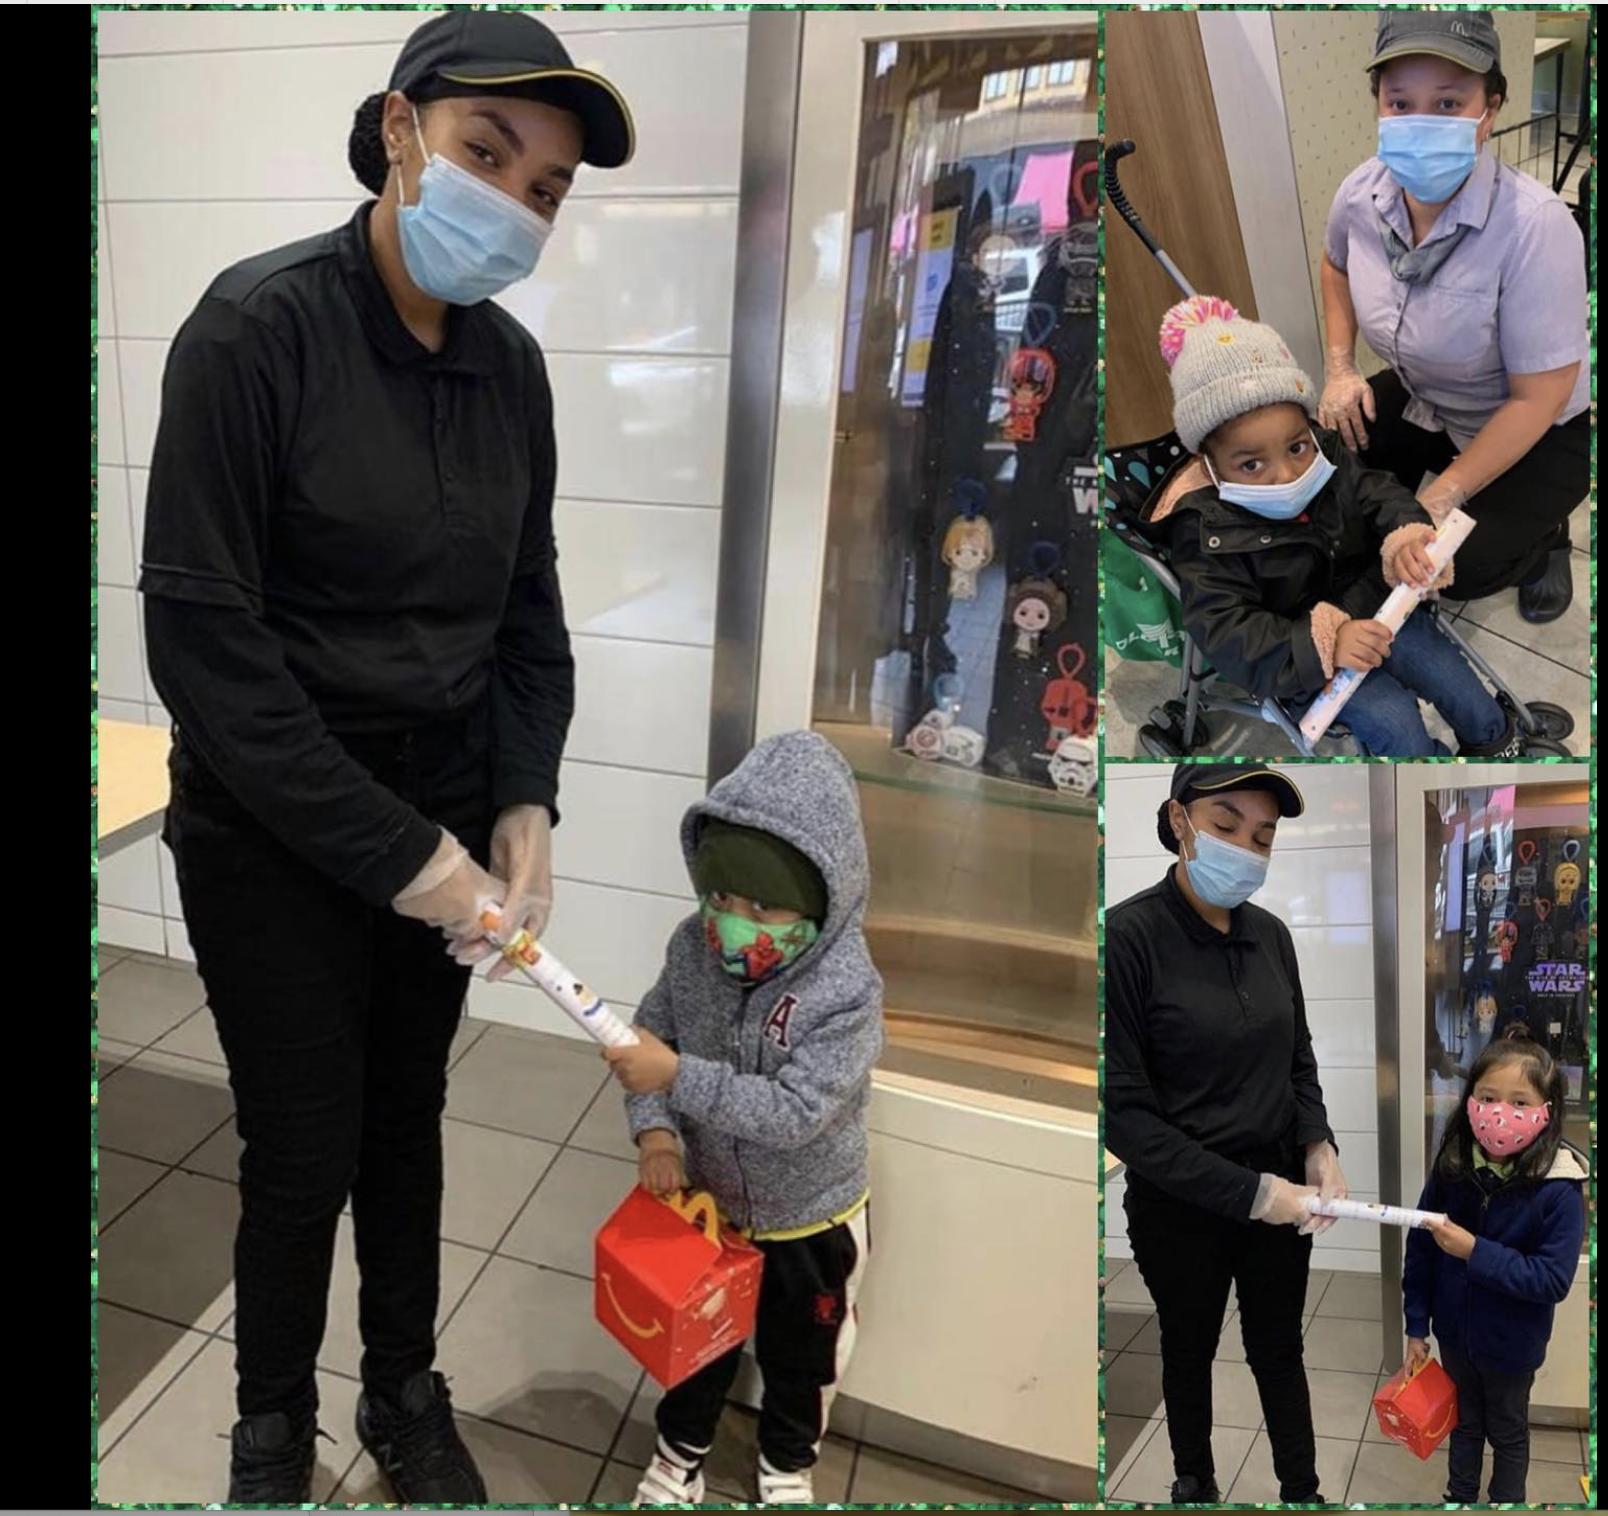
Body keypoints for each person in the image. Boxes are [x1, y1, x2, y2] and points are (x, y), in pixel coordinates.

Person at [138, 11, 634, 1501]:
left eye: (546, 186)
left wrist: (523, 795)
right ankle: (271, 1430)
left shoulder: (511, 374)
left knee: (408, 1123)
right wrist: (409, 859)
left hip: (446, 820)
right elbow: (209, 657)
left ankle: (404, 1395)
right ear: (400, 128)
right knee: (304, 1150)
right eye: (492, 152)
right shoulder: (251, 334)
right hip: (272, 833)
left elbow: (526, 615)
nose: (517, 199)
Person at [600, 731, 883, 1507]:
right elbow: (647, 1041)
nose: (733, 920)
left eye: (762, 905)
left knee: (805, 1358)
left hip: (812, 1219)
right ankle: (677, 1455)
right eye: (720, 896)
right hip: (711, 1210)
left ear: (822, 900)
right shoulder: (692, 948)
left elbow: (797, 1114)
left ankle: (787, 1466)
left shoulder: (847, 993)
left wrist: (677, 1077)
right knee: (695, 1349)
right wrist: (655, 1127)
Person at [1144, 294, 1530, 758]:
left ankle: (1494, 740)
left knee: (1452, 676)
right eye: (1251, 464)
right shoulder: (1202, 530)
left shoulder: (1324, 453)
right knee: (1393, 719)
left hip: (1378, 606)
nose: (1286, 475)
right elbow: (1227, 632)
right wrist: (1323, 642)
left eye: (1295, 448)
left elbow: (1375, 491)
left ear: (1308, 428)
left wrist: (1404, 536)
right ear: (1210, 464)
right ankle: (1426, 780)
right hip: (1303, 658)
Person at [1105, 763, 1346, 1505]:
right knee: (1188, 1347)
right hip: (1182, 1205)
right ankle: (1195, 1481)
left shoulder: (1271, 936)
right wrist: (1250, 1193)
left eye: (1264, 836)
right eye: (1227, 824)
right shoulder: (1126, 938)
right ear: (1179, 821)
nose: (1247, 847)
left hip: (1282, 1186)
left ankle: (1301, 1491)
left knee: (1278, 1349)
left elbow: (1298, 1056)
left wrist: (1319, 1145)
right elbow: (1125, 1116)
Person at [1319, 9, 1588, 623]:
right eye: (1400, 102)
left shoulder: (1535, 227)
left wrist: (1446, 492)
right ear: (1379, 105)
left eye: (1447, 103)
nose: (1420, 121)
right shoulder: (1361, 193)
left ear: (1490, 109)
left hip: (1536, 424)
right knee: (1338, 483)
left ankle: (1545, 542)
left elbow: (1540, 397)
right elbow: (1335, 264)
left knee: (1462, 571)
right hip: (1428, 391)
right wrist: (1340, 367)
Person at [1403, 1034, 1587, 1503]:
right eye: (1487, 1098)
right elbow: (1421, 1250)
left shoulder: (1559, 1188)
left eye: (1519, 1101)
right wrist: (1417, 1325)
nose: (1500, 1112)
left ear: (1545, 1111)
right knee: (1463, 1426)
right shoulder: (1452, 1166)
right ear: (1470, 1102)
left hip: (1513, 1348)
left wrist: (1474, 1251)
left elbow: (1551, 1279)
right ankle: (1459, 1498)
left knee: (1507, 1432)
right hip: (1455, 1336)